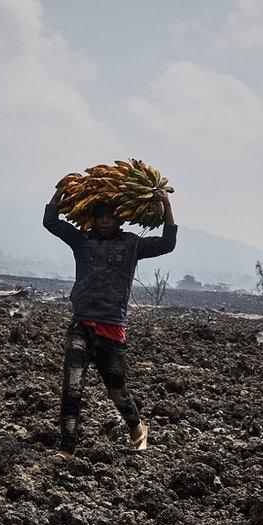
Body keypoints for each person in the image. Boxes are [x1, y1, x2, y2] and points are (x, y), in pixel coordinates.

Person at [42, 188, 177, 464]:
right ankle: (67, 448)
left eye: (110, 216)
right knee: (72, 386)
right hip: (81, 324)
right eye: (99, 216)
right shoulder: (83, 240)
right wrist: (59, 195)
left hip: (111, 328)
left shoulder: (131, 245)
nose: (104, 221)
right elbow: (51, 223)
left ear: (120, 220)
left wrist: (166, 204)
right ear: (92, 219)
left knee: (117, 390)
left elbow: (167, 244)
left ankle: (138, 428)